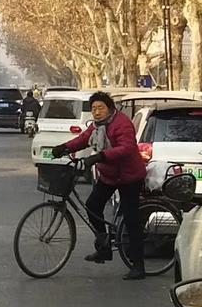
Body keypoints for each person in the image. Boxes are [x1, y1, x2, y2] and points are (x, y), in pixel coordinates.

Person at [59, 91, 147, 277]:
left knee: (131, 219)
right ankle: (104, 246)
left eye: (100, 108)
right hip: (109, 175)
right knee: (93, 206)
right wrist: (64, 148)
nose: (97, 112)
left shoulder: (121, 123)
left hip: (129, 176)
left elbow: (126, 148)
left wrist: (100, 156)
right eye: (94, 109)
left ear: (110, 108)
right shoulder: (97, 126)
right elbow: (83, 139)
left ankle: (138, 265)